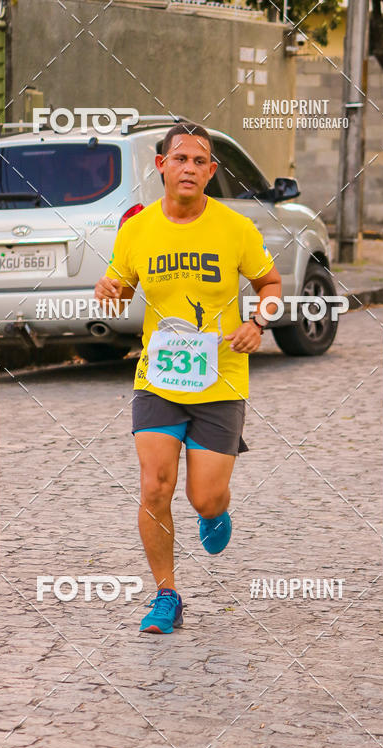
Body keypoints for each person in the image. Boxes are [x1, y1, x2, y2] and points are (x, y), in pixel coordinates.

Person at [95, 122, 281, 634]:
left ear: (211, 172)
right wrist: (109, 287)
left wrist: (257, 322)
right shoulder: (137, 229)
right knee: (155, 486)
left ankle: (214, 511)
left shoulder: (235, 228)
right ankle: (166, 595)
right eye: (181, 159)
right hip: (158, 377)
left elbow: (270, 283)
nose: (190, 168)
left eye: (200, 161)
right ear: (161, 166)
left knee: (204, 497)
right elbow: (121, 283)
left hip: (220, 378)